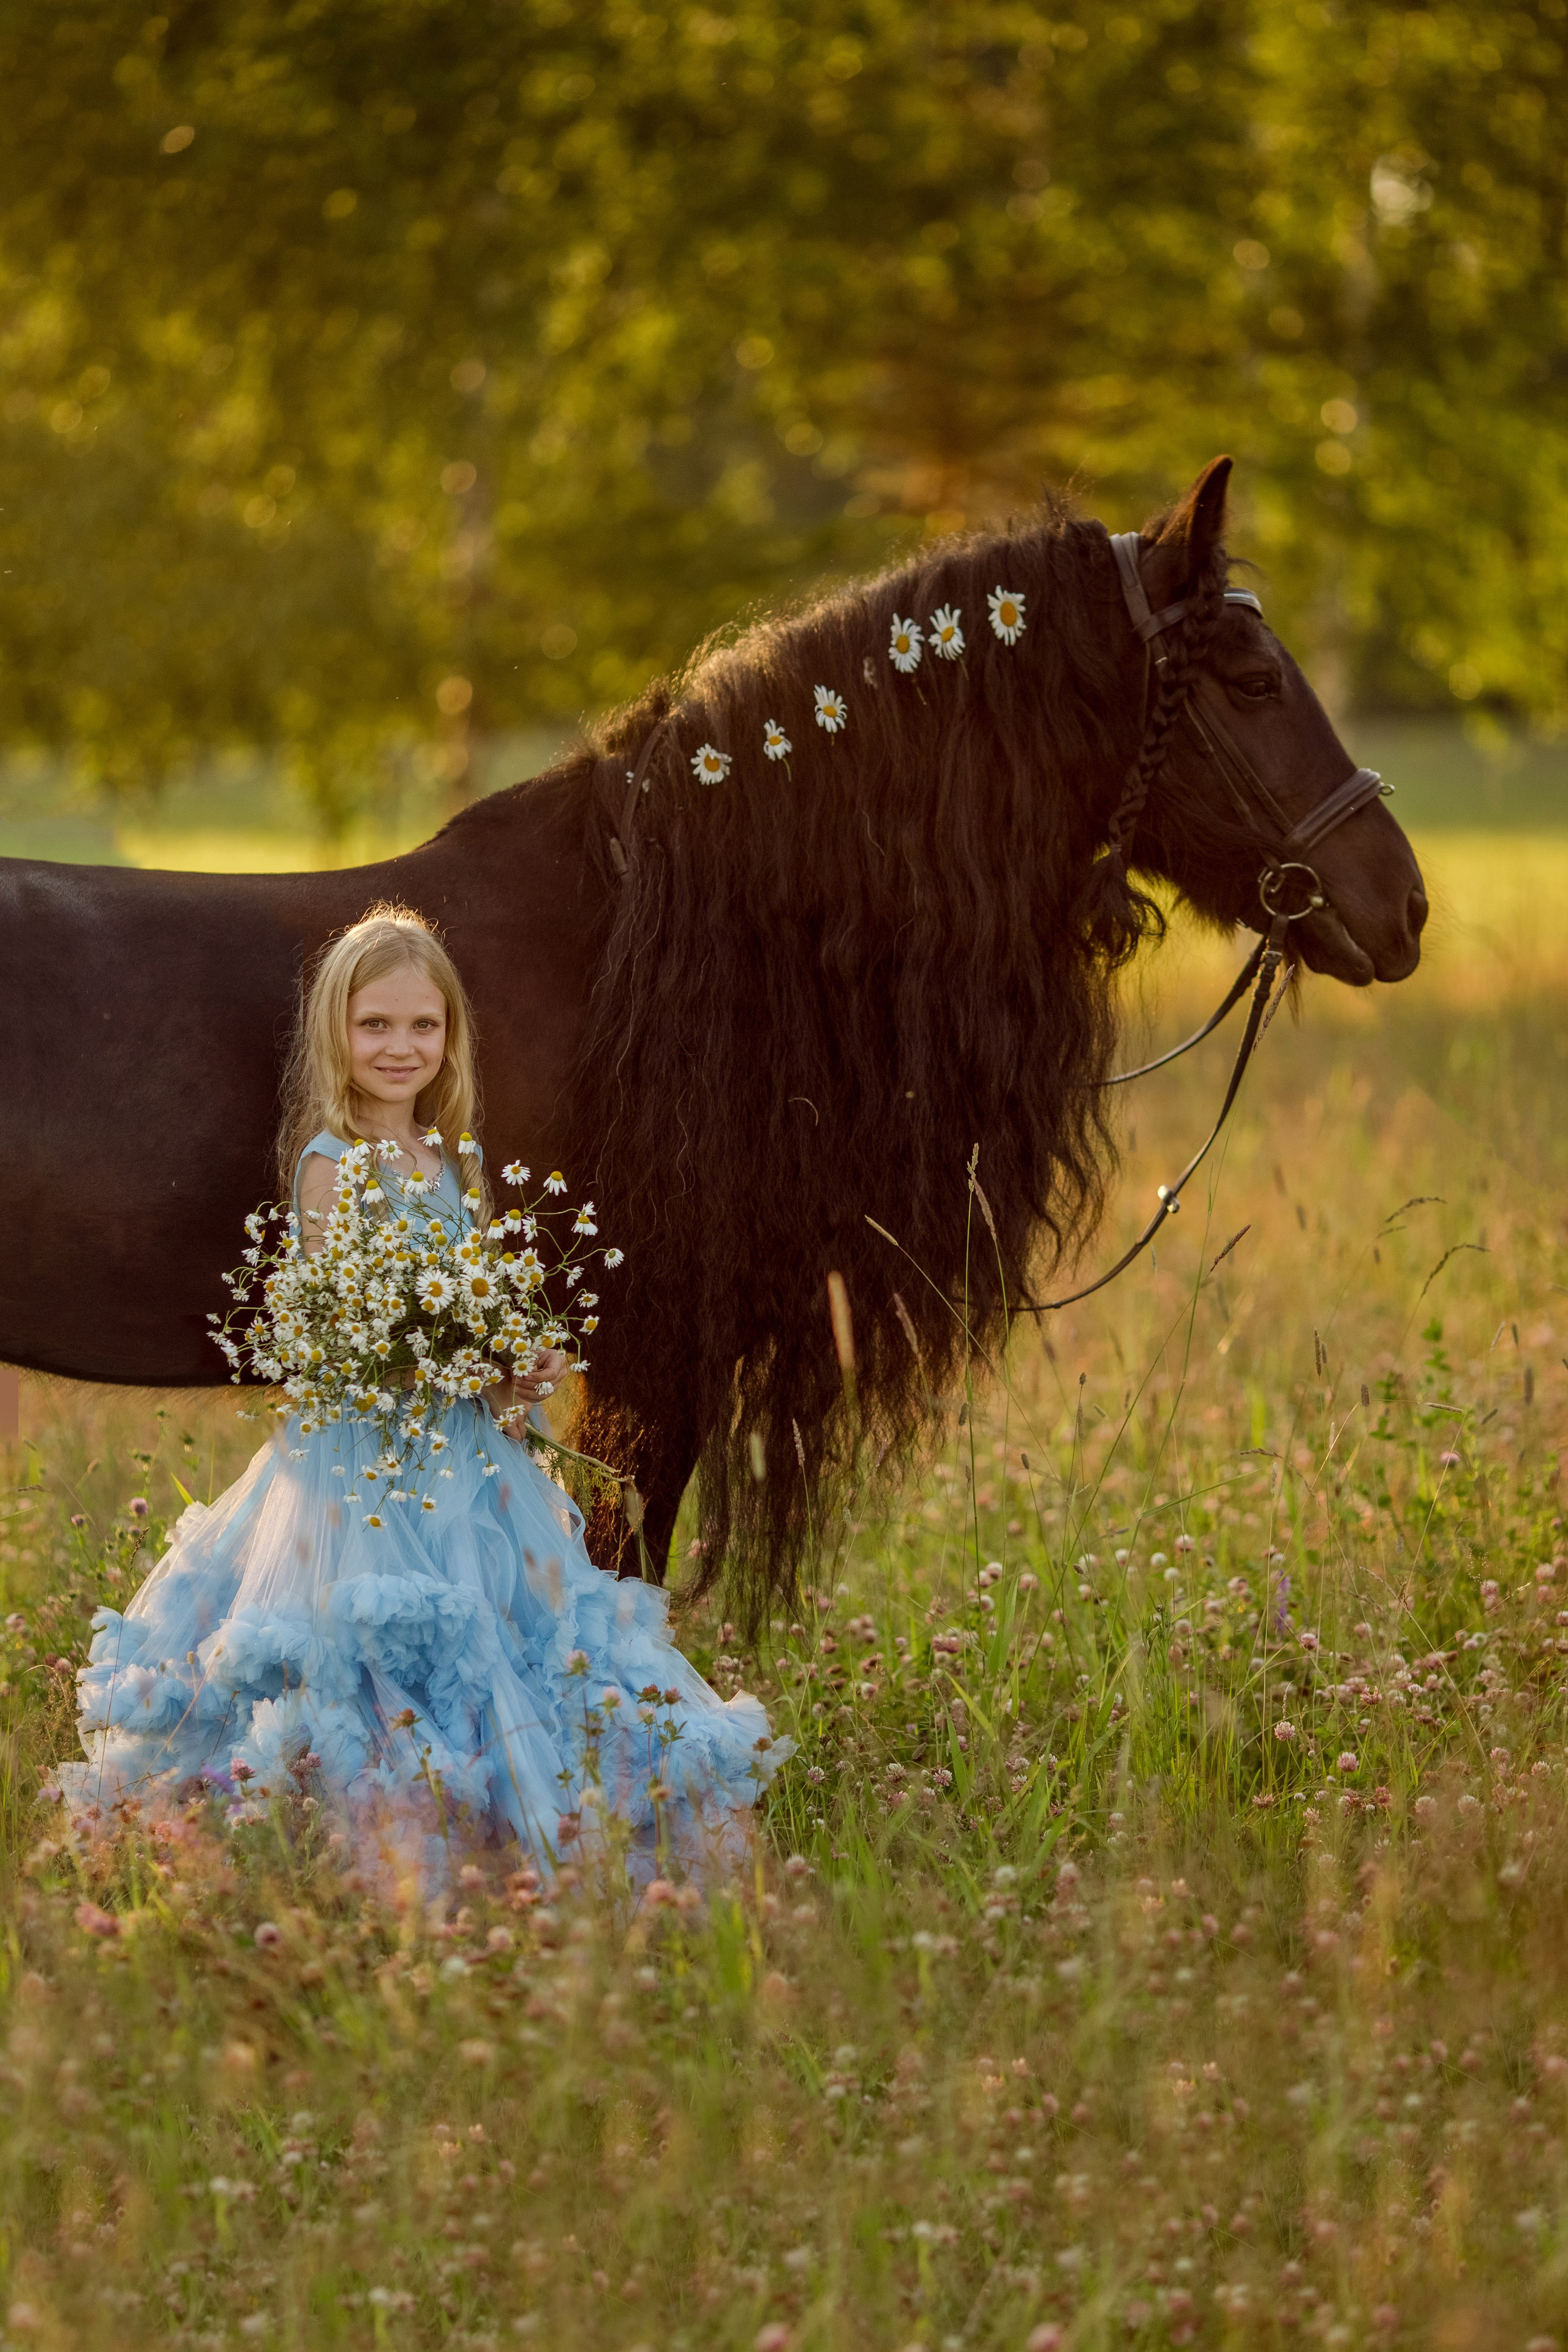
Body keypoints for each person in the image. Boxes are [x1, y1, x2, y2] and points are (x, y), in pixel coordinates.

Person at [61, 906, 787, 1887]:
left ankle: (528, 1832)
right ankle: (368, 1841)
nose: (400, 1048)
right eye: (375, 1026)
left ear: (450, 1038)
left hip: (470, 1458)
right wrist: (463, 1366)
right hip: (370, 1469)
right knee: (382, 1651)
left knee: (511, 1643)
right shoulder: (333, 1169)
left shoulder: (461, 1163)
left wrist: (517, 1369)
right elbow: (344, 1345)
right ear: (337, 1035)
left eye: (422, 1026)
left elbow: (473, 1304)